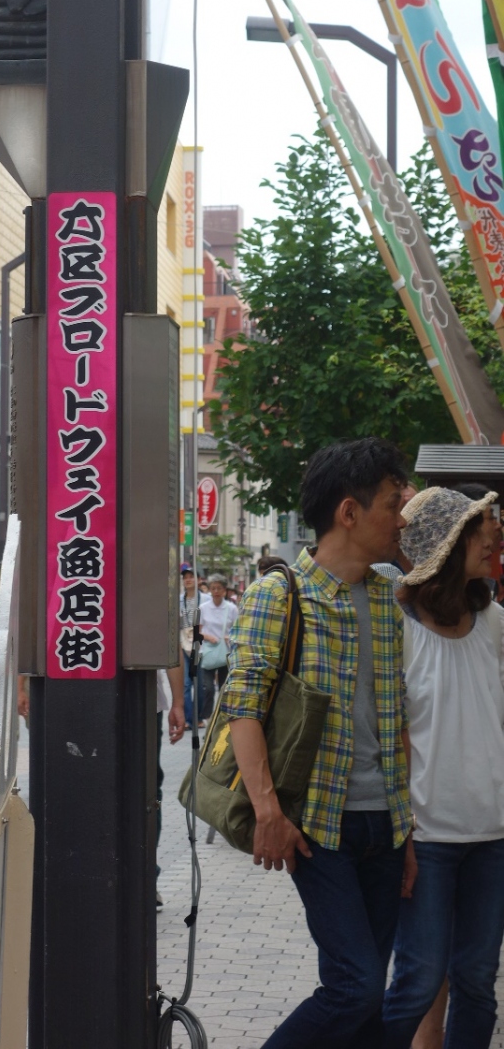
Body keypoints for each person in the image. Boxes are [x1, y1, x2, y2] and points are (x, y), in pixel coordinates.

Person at [222, 437, 413, 1048]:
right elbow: (242, 706)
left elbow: (396, 719)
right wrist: (268, 812)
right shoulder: (279, 593)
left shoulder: (387, 597)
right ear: (349, 512)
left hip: (386, 824)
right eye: (393, 504)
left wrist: (407, 830)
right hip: (319, 825)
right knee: (355, 987)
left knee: (367, 1002)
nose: (402, 519)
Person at [380, 487, 504, 1049]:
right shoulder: (397, 626)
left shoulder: (494, 622)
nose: (493, 536)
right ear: (448, 544)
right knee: (417, 981)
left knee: (477, 982)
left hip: (493, 836)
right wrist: (399, 831)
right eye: (480, 528)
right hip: (425, 838)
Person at [180, 565, 211, 727]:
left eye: (191, 577)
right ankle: (188, 718)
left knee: (199, 684)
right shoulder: (179, 599)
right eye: (185, 577)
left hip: (200, 644)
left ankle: (197, 717)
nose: (188, 580)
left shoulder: (206, 599)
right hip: (183, 642)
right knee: (185, 684)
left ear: (199, 580)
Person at [199, 573, 238, 702]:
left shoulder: (232, 608)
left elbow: (237, 630)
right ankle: (206, 712)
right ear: (209, 590)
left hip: (225, 651)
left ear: (224, 590)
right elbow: (196, 632)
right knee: (208, 688)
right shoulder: (203, 608)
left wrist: (229, 637)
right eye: (213, 588)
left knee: (224, 688)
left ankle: (221, 711)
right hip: (208, 651)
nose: (216, 591)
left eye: (219, 588)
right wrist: (207, 637)